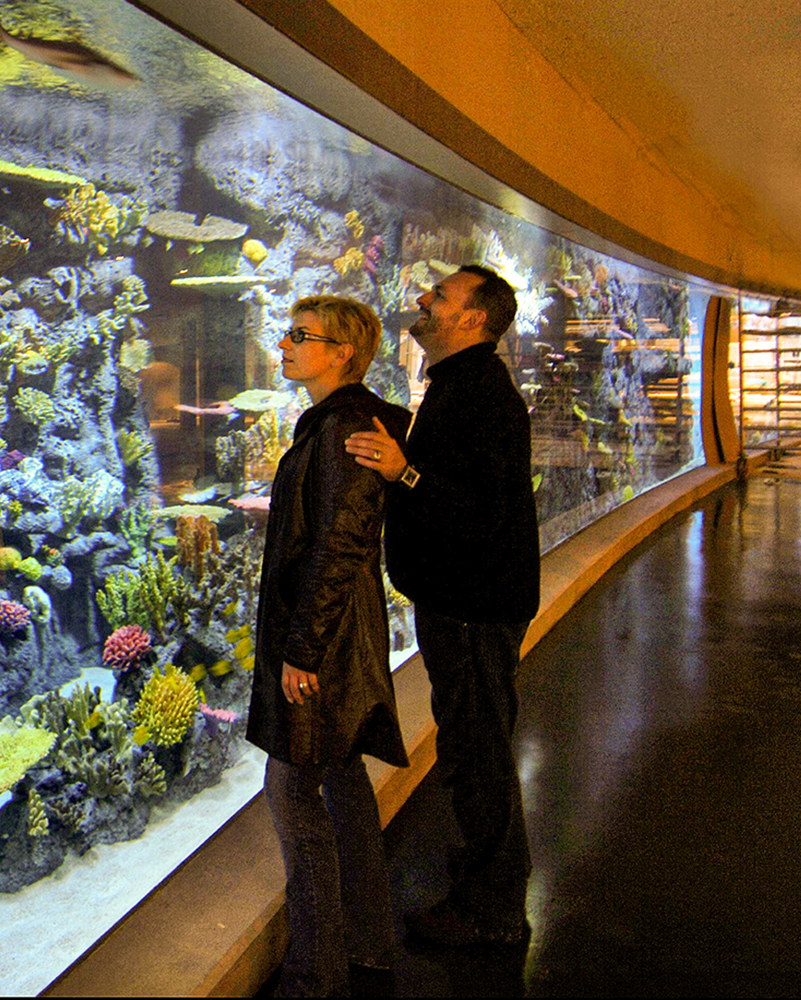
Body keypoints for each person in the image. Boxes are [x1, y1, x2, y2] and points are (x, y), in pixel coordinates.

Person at [344, 264, 540, 947]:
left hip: (473, 605)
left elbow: (481, 512)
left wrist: (405, 473)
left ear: (472, 320)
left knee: (480, 753)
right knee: (471, 745)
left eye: (442, 297)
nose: (425, 300)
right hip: (463, 601)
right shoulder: (462, 387)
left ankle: (492, 913)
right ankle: (484, 887)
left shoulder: (482, 395)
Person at [247, 296, 411, 995]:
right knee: (342, 785)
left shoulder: (345, 429)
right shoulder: (339, 423)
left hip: (328, 643)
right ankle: (369, 945)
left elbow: (340, 547)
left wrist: (302, 650)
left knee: (291, 791)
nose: (284, 345)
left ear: (342, 351)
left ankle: (316, 974)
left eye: (300, 336)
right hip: (343, 635)